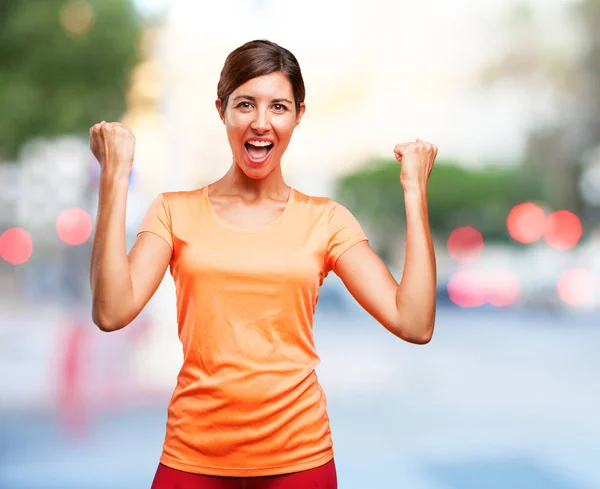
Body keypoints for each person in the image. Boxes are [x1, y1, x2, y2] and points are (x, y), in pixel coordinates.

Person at [89, 39, 437, 489]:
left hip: (300, 458)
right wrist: (114, 177)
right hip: (193, 455)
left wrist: (414, 191)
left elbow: (414, 322)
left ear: (298, 115)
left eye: (278, 107)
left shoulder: (325, 220)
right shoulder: (173, 211)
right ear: (221, 110)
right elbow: (111, 311)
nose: (260, 123)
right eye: (245, 104)